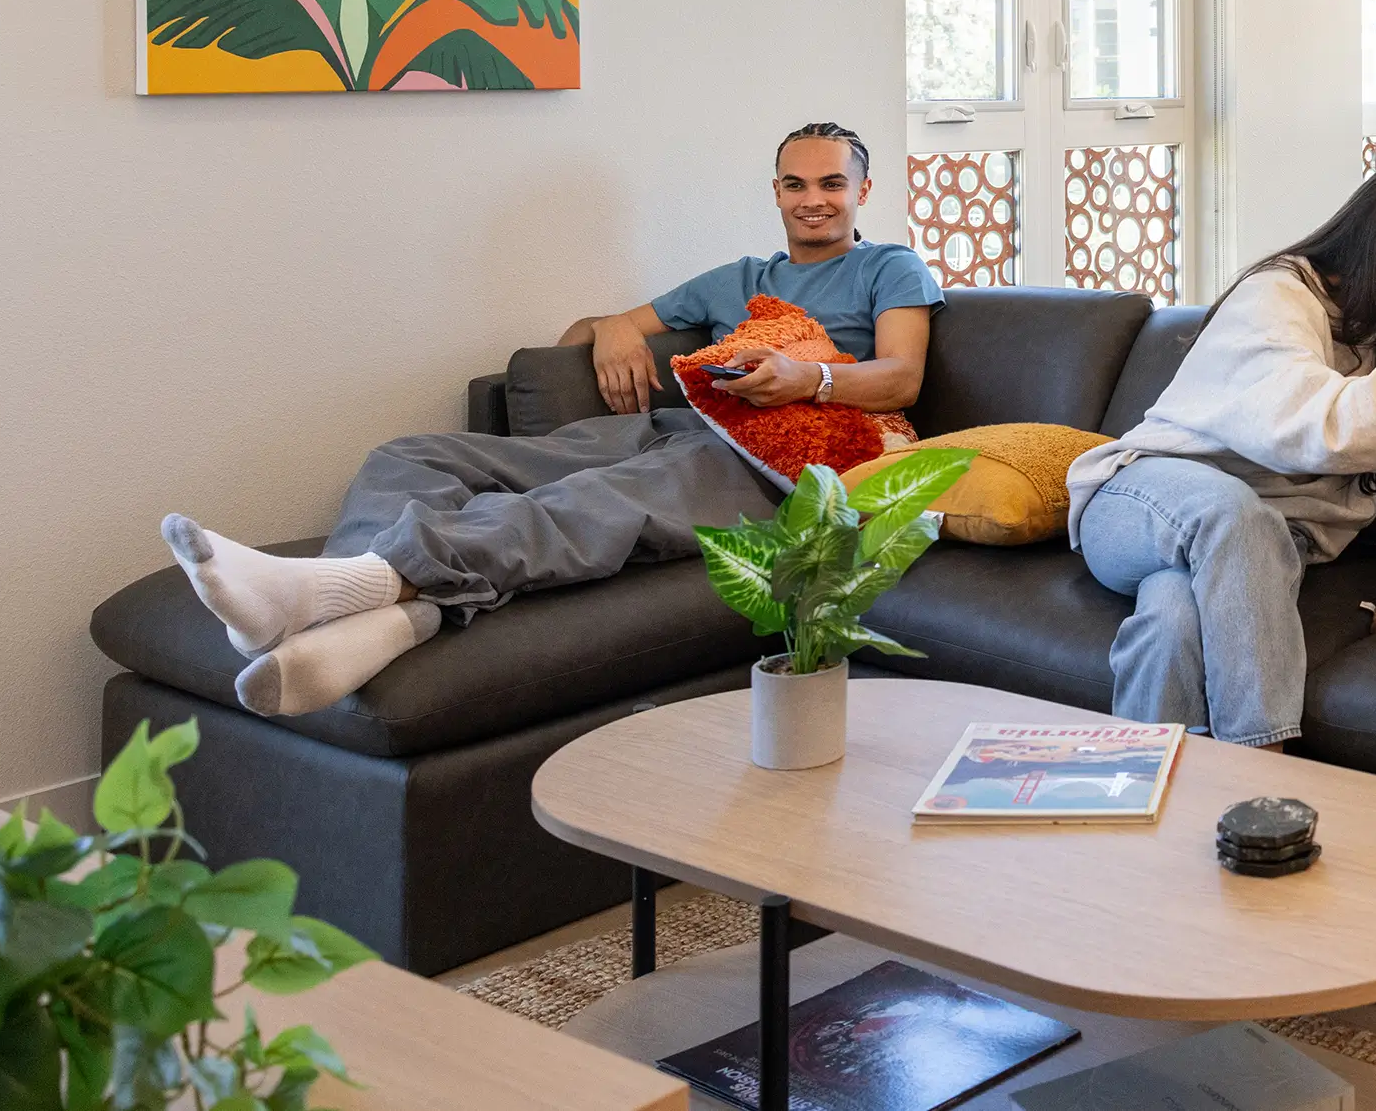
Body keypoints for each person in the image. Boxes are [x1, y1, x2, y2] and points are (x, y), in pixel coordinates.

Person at [161, 123, 944, 716]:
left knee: (584, 504)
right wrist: (609, 327)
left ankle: (344, 597)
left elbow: (900, 376)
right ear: (774, 191)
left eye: (833, 185)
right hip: (683, 429)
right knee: (415, 456)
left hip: (778, 465)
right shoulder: (736, 278)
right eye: (797, 184)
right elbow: (591, 330)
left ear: (862, 193)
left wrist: (807, 377)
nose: (815, 199)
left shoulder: (889, 266)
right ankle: (366, 625)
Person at [1065, 164, 1376, 749]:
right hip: (1143, 502)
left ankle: (1147, 786)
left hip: (1261, 545)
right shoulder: (1279, 294)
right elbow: (1320, 427)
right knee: (1232, 511)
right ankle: (1264, 768)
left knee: (1172, 616)